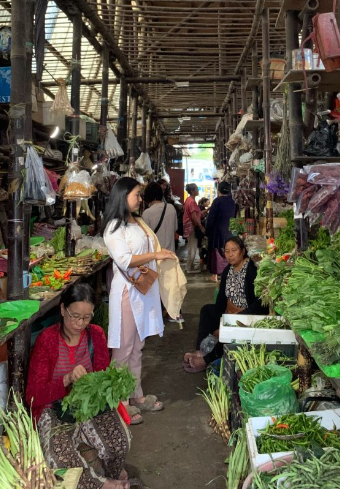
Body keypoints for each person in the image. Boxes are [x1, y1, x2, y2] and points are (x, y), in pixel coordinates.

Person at [26, 284, 134, 489]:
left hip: (88, 405)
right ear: (62, 310)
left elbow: (102, 378)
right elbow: (33, 395)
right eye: (74, 316)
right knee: (61, 457)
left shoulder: (96, 335)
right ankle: (102, 484)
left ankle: (113, 472)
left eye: (86, 317)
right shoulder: (47, 340)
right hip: (54, 408)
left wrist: (94, 382)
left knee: (120, 441)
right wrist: (66, 380)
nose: (79, 323)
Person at [103, 177, 186, 414]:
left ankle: (136, 395)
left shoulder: (137, 222)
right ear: (123, 195)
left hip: (143, 290)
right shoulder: (113, 227)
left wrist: (158, 255)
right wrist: (155, 256)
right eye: (136, 195)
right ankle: (120, 401)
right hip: (128, 292)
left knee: (137, 346)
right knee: (123, 348)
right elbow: (125, 260)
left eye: (140, 195)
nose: (140, 199)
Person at [183, 236, 268, 373]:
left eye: (234, 250)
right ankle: (201, 350)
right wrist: (219, 323)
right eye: (227, 251)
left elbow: (259, 303)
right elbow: (221, 300)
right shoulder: (228, 270)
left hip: (247, 316)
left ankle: (206, 360)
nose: (230, 254)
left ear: (243, 251)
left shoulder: (251, 270)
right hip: (229, 313)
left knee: (231, 330)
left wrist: (232, 320)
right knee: (207, 310)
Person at [205, 181, 237, 282]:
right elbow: (235, 216)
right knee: (228, 251)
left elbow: (211, 218)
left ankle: (215, 276)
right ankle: (228, 273)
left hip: (217, 232)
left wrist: (207, 231)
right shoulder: (233, 202)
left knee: (217, 252)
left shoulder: (217, 201)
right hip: (229, 231)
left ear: (219, 190)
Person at [142, 182, 178, 253]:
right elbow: (175, 228)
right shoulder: (171, 208)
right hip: (170, 254)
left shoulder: (146, 213)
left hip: (155, 256)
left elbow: (145, 238)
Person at [183, 183, 205, 274]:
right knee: (192, 248)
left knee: (191, 247)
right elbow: (194, 217)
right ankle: (189, 268)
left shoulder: (188, 200)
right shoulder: (191, 202)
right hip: (192, 227)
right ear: (192, 191)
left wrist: (207, 210)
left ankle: (189, 266)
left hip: (189, 227)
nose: (198, 190)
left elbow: (197, 214)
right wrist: (201, 227)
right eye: (196, 189)